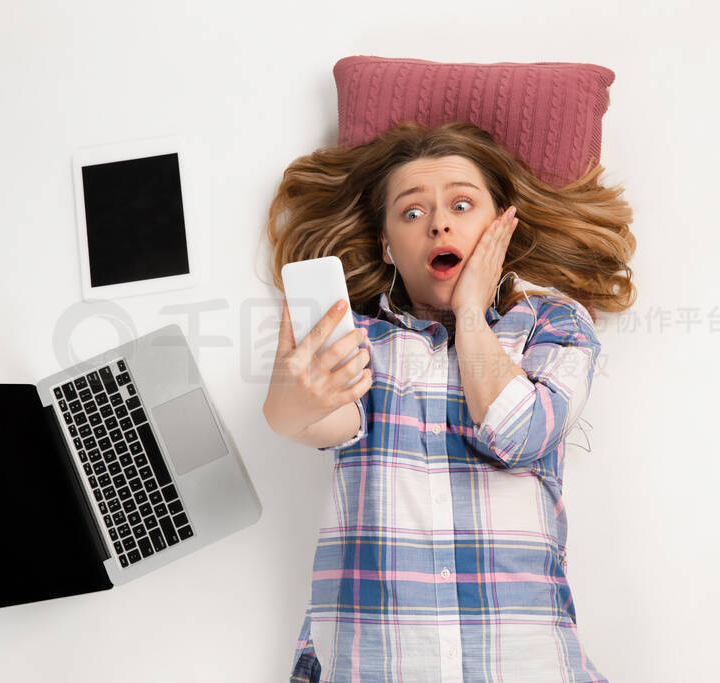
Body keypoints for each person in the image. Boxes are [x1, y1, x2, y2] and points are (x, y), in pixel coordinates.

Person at [262, 120, 635, 682]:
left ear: (498, 228)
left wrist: (469, 312)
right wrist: (289, 404)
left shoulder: (552, 323)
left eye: (462, 205)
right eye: (412, 213)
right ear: (387, 245)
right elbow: (321, 421)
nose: (438, 221)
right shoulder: (359, 339)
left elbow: (521, 433)